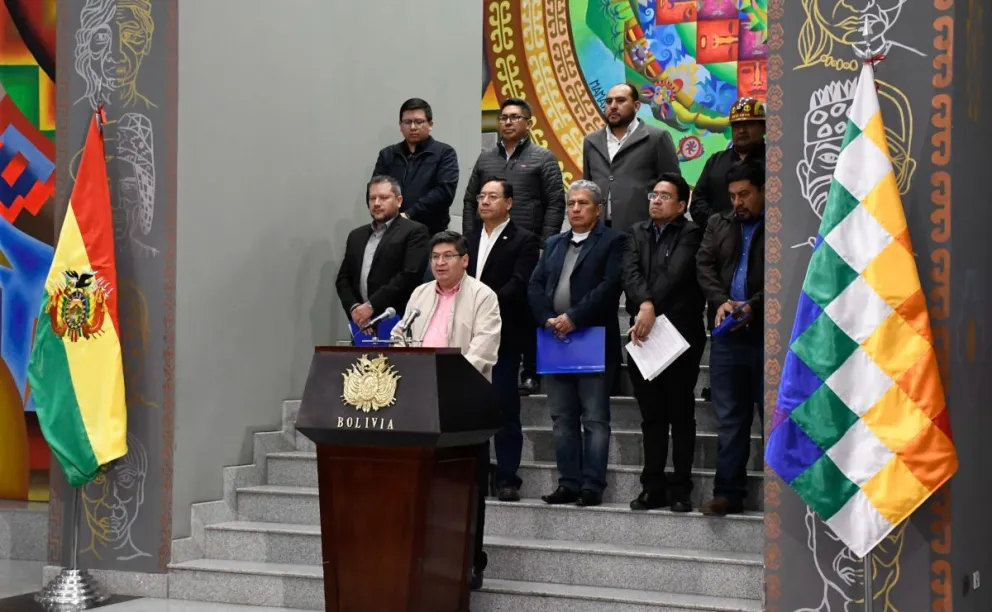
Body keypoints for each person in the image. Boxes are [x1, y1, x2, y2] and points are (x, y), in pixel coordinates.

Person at [401, 230, 501, 591]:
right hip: (420, 405)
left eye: (447, 256)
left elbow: (483, 351)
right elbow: (403, 335)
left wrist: (446, 383)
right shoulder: (419, 294)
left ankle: (472, 561)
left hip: (463, 406)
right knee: (423, 486)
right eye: (435, 257)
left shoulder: (483, 296)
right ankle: (427, 556)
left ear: (464, 260)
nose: (439, 263)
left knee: (467, 489)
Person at [527, 180, 625, 508]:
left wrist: (573, 317)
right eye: (571, 204)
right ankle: (568, 482)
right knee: (561, 417)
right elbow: (536, 285)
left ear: (598, 209)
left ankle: (591, 486)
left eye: (583, 204)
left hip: (592, 337)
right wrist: (547, 319)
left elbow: (609, 287)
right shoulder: (554, 242)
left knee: (595, 419)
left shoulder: (613, 241)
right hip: (555, 338)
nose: (575, 209)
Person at [462, 97, 566, 395]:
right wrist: (471, 239)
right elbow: (471, 199)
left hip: (528, 244)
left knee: (528, 308)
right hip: (488, 244)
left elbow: (555, 202)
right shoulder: (485, 159)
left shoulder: (542, 157)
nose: (507, 122)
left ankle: (531, 371)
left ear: (528, 123)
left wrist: (547, 243)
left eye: (514, 117)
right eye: (503, 117)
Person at [622, 173, 706, 513]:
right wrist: (644, 305)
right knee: (651, 416)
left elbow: (675, 273)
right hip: (643, 336)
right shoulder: (635, 232)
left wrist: (648, 304)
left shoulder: (691, 233)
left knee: (681, 414)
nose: (655, 200)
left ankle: (681, 488)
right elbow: (630, 273)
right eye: (653, 194)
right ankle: (651, 486)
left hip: (680, 336)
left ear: (682, 205)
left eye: (664, 196)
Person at [695, 160, 764, 516]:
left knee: (774, 417)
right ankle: (728, 493)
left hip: (769, 335)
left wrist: (754, 305)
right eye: (733, 196)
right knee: (730, 418)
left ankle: (781, 493)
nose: (738, 203)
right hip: (726, 334)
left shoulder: (779, 224)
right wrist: (721, 302)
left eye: (745, 194)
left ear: (764, 191)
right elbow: (704, 265)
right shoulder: (718, 223)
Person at [467, 178, 540, 502]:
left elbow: (519, 283)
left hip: (505, 336)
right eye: (481, 196)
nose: (484, 202)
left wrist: (482, 304)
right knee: (471, 410)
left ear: (508, 203)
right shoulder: (466, 239)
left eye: (492, 197)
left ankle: (508, 477)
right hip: (466, 338)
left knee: (505, 409)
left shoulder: (523, 239)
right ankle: (477, 475)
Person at [581, 83, 680, 231]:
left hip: (643, 231)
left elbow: (673, 186)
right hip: (598, 230)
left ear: (637, 106)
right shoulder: (591, 141)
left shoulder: (656, 138)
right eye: (609, 101)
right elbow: (588, 186)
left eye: (620, 101)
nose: (613, 106)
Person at [335, 175, 430, 329]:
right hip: (361, 324)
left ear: (399, 201)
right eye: (372, 199)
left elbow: (409, 276)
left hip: (397, 321)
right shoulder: (356, 236)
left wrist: (371, 306)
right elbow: (343, 279)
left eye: (384, 197)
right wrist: (355, 310)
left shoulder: (415, 231)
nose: (377, 203)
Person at [372, 98, 459, 235]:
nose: (413, 127)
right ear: (400, 126)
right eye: (407, 122)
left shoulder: (444, 153)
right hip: (391, 231)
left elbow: (444, 193)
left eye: (418, 122)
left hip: (430, 232)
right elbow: (375, 190)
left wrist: (409, 214)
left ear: (430, 124)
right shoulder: (388, 155)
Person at [688, 97, 766, 231]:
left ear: (763, 128)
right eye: (736, 125)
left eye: (748, 124)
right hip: (717, 240)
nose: (741, 130)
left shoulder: (776, 161)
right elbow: (697, 203)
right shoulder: (716, 161)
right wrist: (721, 225)